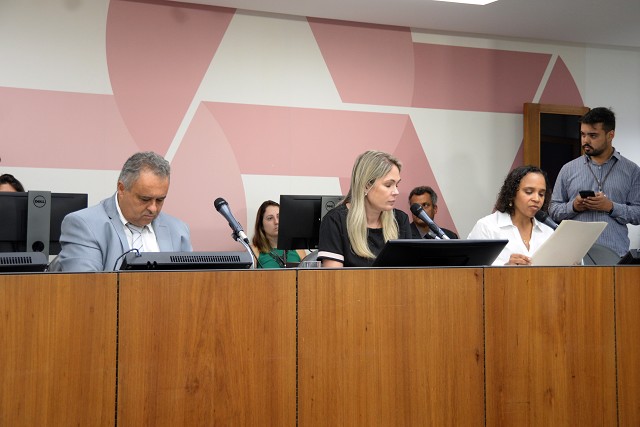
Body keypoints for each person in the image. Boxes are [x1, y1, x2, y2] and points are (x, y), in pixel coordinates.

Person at [51, 151, 192, 271]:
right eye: (145, 199)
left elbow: (191, 283)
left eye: (160, 200)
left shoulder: (178, 229)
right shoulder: (84, 225)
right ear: (121, 188)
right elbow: (86, 285)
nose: (153, 208)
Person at [549, 107, 640, 257]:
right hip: (575, 256)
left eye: (593, 135)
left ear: (610, 135)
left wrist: (611, 207)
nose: (586, 140)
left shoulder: (632, 170)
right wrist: (574, 206)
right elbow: (553, 210)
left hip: (615, 255)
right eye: (583, 134)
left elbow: (638, 213)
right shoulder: (568, 169)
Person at [317, 150, 412, 267]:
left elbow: (409, 272)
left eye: (397, 185)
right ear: (366, 185)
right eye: (388, 185)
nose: (396, 192)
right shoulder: (335, 220)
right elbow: (334, 276)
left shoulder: (400, 220)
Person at [467, 165, 554, 266]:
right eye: (529, 192)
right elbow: (470, 270)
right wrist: (506, 269)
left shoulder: (549, 232)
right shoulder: (487, 227)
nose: (537, 199)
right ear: (512, 194)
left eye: (541, 194)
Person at [250, 200, 306, 268]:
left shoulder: (298, 249)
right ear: (261, 225)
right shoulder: (254, 251)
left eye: (279, 216)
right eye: (270, 218)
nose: (276, 222)